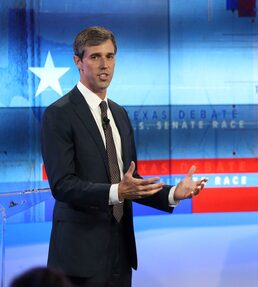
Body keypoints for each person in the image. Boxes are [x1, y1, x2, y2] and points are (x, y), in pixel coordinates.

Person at [41, 26, 208, 287]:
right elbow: (63, 185)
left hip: (120, 253)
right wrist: (117, 192)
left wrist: (174, 193)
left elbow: (131, 181)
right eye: (95, 57)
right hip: (79, 259)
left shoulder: (119, 114)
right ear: (78, 62)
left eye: (110, 56)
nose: (104, 65)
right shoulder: (59, 114)